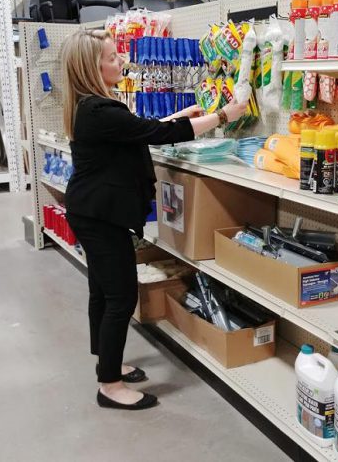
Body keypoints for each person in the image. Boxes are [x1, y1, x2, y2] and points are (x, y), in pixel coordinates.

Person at [60, 29, 247, 410]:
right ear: (92, 67)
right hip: (99, 216)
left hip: (92, 211)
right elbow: (155, 134)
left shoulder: (93, 106)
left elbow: (138, 133)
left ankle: (107, 363)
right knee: (121, 296)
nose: (121, 62)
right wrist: (224, 115)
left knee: (103, 292)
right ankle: (109, 387)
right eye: (112, 58)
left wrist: (180, 115)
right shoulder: (100, 110)